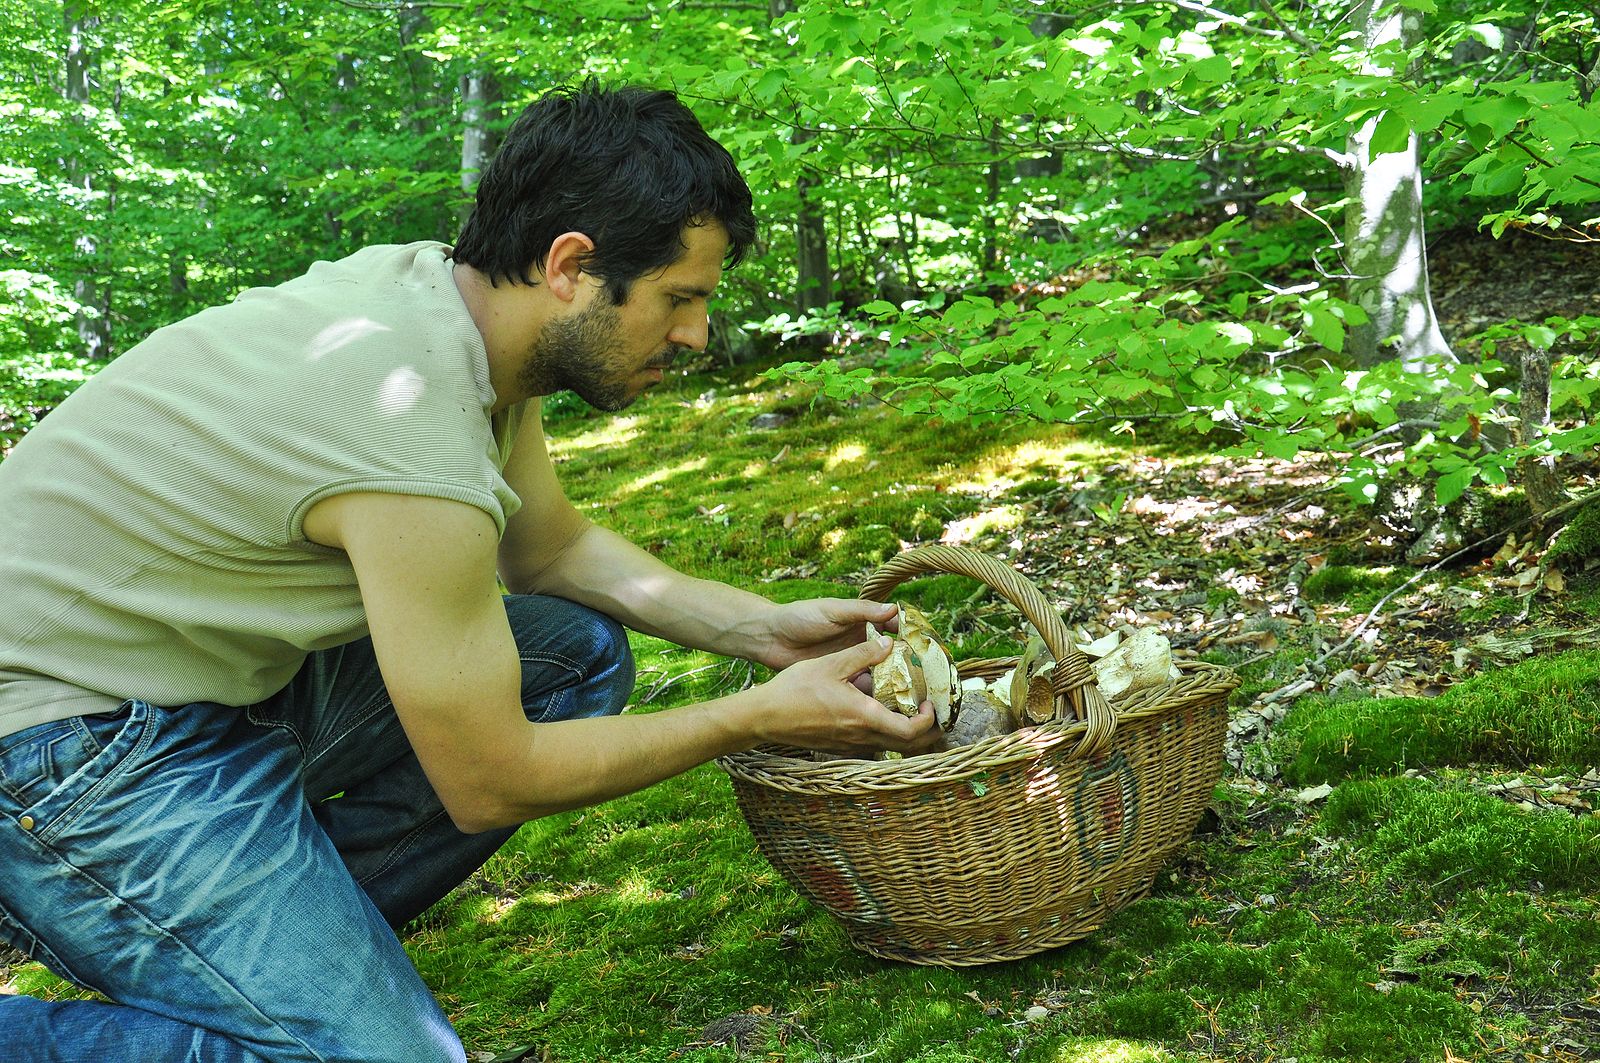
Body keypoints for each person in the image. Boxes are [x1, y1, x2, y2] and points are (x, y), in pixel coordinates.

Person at [0, 82, 940, 1062]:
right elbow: (488, 780)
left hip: (213, 686)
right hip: (64, 745)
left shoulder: (455, 320)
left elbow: (551, 551)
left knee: (570, 657)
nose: (697, 334)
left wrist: (758, 629)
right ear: (572, 266)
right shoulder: (405, 424)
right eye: (680, 298)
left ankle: (269, 960)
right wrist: (750, 714)